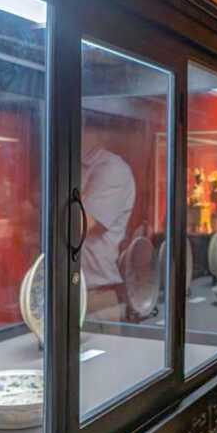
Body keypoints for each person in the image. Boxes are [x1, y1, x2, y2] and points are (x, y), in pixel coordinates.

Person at [80, 127, 136, 319]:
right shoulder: (64, 165)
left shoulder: (111, 168)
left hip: (95, 299)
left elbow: (80, 225)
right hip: (59, 294)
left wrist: (33, 215)